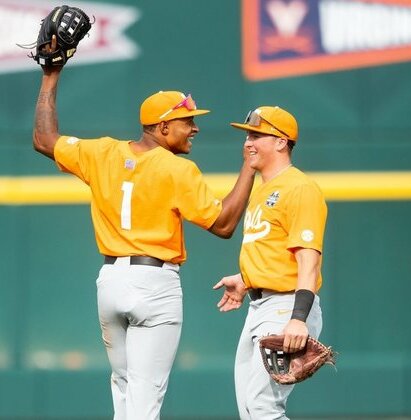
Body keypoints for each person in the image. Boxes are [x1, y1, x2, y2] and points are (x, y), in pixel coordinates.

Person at [33, 48, 255, 419]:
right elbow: (224, 225)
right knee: (145, 399)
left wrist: (50, 75)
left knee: (123, 390)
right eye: (188, 121)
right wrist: (249, 168)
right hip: (155, 285)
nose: (195, 128)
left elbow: (44, 138)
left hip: (111, 282)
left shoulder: (102, 152)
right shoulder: (176, 170)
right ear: (163, 127)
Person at [213, 106, 328, 419]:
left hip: (286, 307)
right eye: (248, 135)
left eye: (257, 135)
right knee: (251, 410)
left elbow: (308, 261)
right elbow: (277, 252)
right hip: (260, 308)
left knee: (264, 407)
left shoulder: (299, 188)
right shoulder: (262, 188)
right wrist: (247, 279)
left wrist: (298, 318)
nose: (248, 142)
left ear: (281, 142)